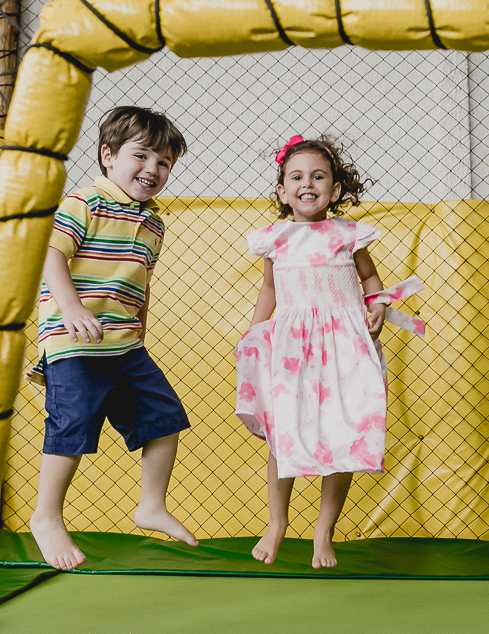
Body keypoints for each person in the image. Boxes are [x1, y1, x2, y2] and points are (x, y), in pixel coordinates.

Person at [236, 135, 425, 568]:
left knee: (344, 433)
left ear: (335, 190)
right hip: (293, 350)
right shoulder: (275, 239)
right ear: (282, 191)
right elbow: (269, 289)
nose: (307, 184)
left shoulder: (348, 235)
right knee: (283, 432)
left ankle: (324, 531)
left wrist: (378, 305)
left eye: (318, 176)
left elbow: (370, 279)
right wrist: (254, 332)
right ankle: (277, 523)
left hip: (344, 346)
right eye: (296, 177)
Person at [28, 106, 198, 570]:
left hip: (123, 343)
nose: (152, 169)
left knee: (164, 416)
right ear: (108, 155)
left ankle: (151, 506)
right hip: (73, 342)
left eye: (163, 162)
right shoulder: (85, 202)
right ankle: (46, 516)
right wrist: (71, 307)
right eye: (140, 156)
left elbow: (142, 280)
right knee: (72, 425)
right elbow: (49, 254)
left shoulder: (153, 224)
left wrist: (140, 324)